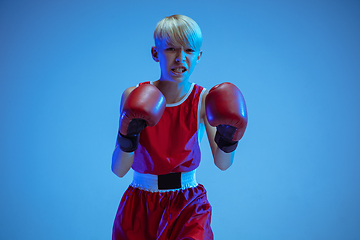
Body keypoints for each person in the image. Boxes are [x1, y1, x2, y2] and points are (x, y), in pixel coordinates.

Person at [111, 14, 247, 240]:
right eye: (171, 49)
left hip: (188, 204)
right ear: (155, 53)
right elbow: (119, 169)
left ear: (199, 56)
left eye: (189, 51)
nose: (180, 58)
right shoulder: (133, 96)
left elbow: (222, 164)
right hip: (141, 203)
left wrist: (229, 137)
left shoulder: (204, 99)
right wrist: (129, 134)